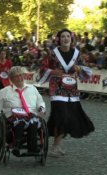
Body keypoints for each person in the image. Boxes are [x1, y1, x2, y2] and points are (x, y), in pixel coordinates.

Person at [40, 28, 95, 157]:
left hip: (72, 89)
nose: (65, 39)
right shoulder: (53, 54)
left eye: (68, 36)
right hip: (57, 88)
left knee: (67, 117)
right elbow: (42, 68)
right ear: (59, 39)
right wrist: (53, 72)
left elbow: (86, 70)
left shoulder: (77, 53)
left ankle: (56, 144)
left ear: (71, 39)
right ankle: (53, 145)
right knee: (61, 115)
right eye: (63, 36)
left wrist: (79, 68)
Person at [0, 66, 46, 156]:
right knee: (20, 122)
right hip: (13, 116)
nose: (20, 78)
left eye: (21, 75)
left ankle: (32, 147)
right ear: (11, 79)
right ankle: (16, 144)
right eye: (17, 76)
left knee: (34, 123)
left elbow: (40, 101)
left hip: (30, 115)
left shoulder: (32, 88)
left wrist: (41, 108)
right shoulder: (4, 92)